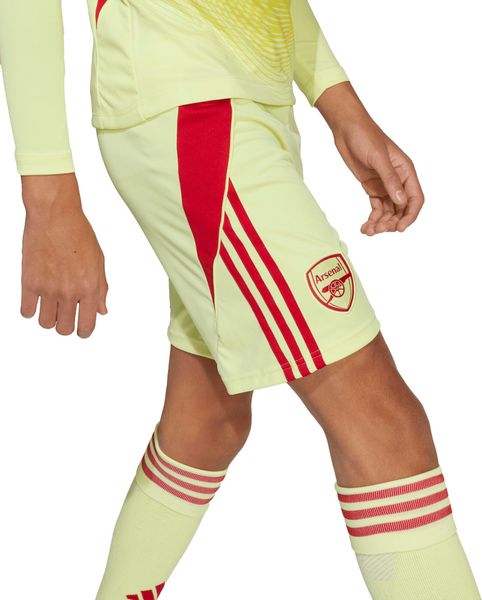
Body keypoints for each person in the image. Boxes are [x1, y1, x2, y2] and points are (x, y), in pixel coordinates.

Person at [0, 0, 479, 598]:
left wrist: (342, 106)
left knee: (206, 423)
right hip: (193, 114)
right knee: (384, 424)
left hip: (248, 108)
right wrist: (49, 199)